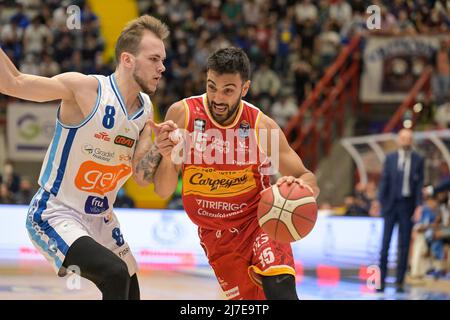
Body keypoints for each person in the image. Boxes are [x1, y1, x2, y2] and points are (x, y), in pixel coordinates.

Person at [0, 15, 170, 300]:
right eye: (154, 59)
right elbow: (13, 82)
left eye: (162, 60)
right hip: (56, 212)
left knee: (131, 291)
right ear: (127, 59)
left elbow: (140, 176)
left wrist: (161, 149)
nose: (162, 67)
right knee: (114, 273)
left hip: (102, 218)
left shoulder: (145, 110)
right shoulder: (85, 89)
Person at [150, 47, 320, 300]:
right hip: (216, 236)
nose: (217, 98)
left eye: (228, 90)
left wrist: (300, 186)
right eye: (211, 87)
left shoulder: (260, 126)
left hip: (260, 222)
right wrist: (166, 156)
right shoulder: (182, 114)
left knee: (280, 287)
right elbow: (163, 190)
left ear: (245, 88)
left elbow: (308, 178)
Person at [377, 128, 424, 293]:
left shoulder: (418, 159)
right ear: (399, 140)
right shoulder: (390, 158)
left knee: (404, 246)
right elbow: (384, 181)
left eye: (409, 138)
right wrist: (379, 202)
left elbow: (419, 185)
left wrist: (419, 205)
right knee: (385, 245)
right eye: (403, 138)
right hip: (390, 206)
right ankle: (380, 282)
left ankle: (399, 282)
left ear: (412, 141)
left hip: (407, 206)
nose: (406, 141)